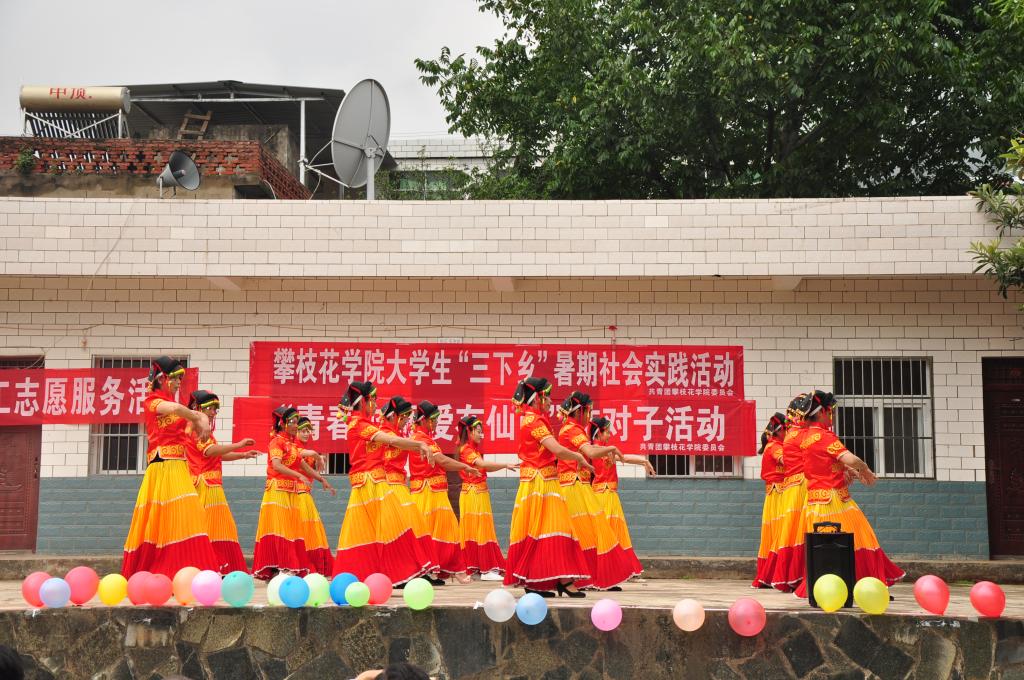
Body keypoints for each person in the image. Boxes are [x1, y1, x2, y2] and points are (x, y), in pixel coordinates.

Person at [793, 390, 905, 597]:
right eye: (831, 411)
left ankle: (833, 588)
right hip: (833, 502)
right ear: (822, 412)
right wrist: (865, 469)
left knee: (827, 547)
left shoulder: (806, 438)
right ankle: (862, 584)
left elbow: (824, 464)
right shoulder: (824, 436)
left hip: (818, 502)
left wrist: (847, 471)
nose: (832, 415)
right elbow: (850, 458)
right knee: (861, 539)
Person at [122, 356, 220, 577]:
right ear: (161, 379)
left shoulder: (179, 412)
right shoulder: (152, 402)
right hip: (162, 467)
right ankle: (159, 570)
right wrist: (198, 416)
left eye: (179, 379)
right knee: (162, 519)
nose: (178, 383)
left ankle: (185, 569)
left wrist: (199, 420)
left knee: (187, 516)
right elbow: (175, 408)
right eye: (174, 378)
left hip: (179, 467)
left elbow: (189, 428)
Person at [332, 381, 434, 584]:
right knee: (386, 527)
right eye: (374, 400)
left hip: (374, 482)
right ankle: (390, 573)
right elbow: (392, 441)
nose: (376, 405)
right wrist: (419, 445)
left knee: (378, 530)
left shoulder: (361, 423)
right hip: (370, 484)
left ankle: (387, 574)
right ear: (364, 402)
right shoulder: (359, 425)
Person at [504, 377, 592, 598]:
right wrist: (578, 457)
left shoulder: (533, 419)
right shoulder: (534, 421)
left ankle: (552, 580)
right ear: (539, 398)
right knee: (553, 529)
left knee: (548, 531)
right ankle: (554, 580)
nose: (552, 402)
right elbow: (557, 450)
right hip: (540, 482)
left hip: (543, 480)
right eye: (548, 397)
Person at [555, 392, 637, 591]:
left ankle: (594, 578)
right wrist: (612, 448)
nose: (589, 416)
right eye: (588, 411)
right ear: (580, 411)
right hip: (572, 486)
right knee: (584, 533)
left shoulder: (575, 430)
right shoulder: (572, 430)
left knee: (593, 532)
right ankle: (579, 579)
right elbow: (591, 452)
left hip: (580, 486)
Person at [183, 389, 259, 575]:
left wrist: (243, 455)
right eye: (210, 408)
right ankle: (210, 566)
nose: (213, 413)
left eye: (215, 409)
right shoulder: (195, 428)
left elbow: (216, 455)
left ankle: (217, 566)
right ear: (197, 408)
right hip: (206, 485)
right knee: (212, 528)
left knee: (219, 528)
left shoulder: (200, 429)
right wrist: (239, 445)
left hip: (211, 484)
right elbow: (210, 451)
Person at [409, 400, 477, 583]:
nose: (437, 423)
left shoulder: (425, 438)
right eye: (434, 419)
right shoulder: (421, 439)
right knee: (443, 530)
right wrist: (465, 467)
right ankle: (448, 569)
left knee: (436, 532)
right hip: (428, 493)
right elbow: (443, 461)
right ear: (425, 420)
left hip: (432, 492)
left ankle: (434, 569)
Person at [379, 395, 442, 584]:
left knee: (413, 528)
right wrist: (419, 445)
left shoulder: (397, 434)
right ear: (393, 416)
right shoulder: (384, 433)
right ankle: (400, 573)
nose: (407, 420)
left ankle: (416, 570)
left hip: (400, 486)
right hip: (388, 487)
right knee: (397, 532)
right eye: (404, 416)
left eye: (408, 416)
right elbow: (398, 443)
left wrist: (420, 447)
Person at [252, 406, 312, 580]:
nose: (295, 425)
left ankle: (284, 566)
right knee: (281, 529)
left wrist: (320, 478)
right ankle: (283, 566)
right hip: (277, 491)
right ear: (283, 423)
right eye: (292, 422)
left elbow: (302, 465)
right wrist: (299, 475)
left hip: (289, 492)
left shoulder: (291, 445)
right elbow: (277, 465)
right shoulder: (276, 442)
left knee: (291, 530)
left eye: (296, 422)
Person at [588, 415, 650, 578]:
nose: (610, 435)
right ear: (599, 433)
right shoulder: (592, 449)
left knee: (616, 534)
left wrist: (643, 461)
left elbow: (624, 458)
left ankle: (613, 572)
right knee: (603, 535)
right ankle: (598, 573)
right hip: (599, 496)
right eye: (607, 432)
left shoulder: (607, 450)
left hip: (611, 496)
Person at [457, 414, 515, 581]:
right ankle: (486, 569)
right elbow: (482, 465)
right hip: (473, 493)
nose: (481, 435)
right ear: (469, 432)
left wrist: (503, 466)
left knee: (478, 530)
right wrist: (504, 464)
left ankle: (477, 567)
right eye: (478, 431)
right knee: (480, 530)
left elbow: (485, 468)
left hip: (477, 492)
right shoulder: (466, 450)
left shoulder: (473, 450)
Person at [770, 393, 810, 592]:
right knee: (800, 530)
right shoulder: (801, 435)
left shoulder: (791, 435)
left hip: (792, 486)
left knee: (791, 530)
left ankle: (790, 575)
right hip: (801, 485)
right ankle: (798, 574)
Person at [293, 416, 337, 574]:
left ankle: (310, 563)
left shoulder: (306, 451)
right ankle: (298, 563)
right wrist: (317, 456)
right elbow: (304, 455)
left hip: (305, 494)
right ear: (296, 431)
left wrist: (319, 464)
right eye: (303, 431)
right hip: (295, 494)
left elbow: (312, 470)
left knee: (311, 531)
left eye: (308, 431)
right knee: (301, 530)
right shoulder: (292, 447)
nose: (306, 434)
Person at [751, 412, 786, 589]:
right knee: (779, 532)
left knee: (778, 533)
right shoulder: (774, 447)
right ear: (779, 431)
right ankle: (773, 574)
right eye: (786, 429)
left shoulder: (776, 445)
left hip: (779, 493)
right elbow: (787, 461)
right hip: (778, 493)